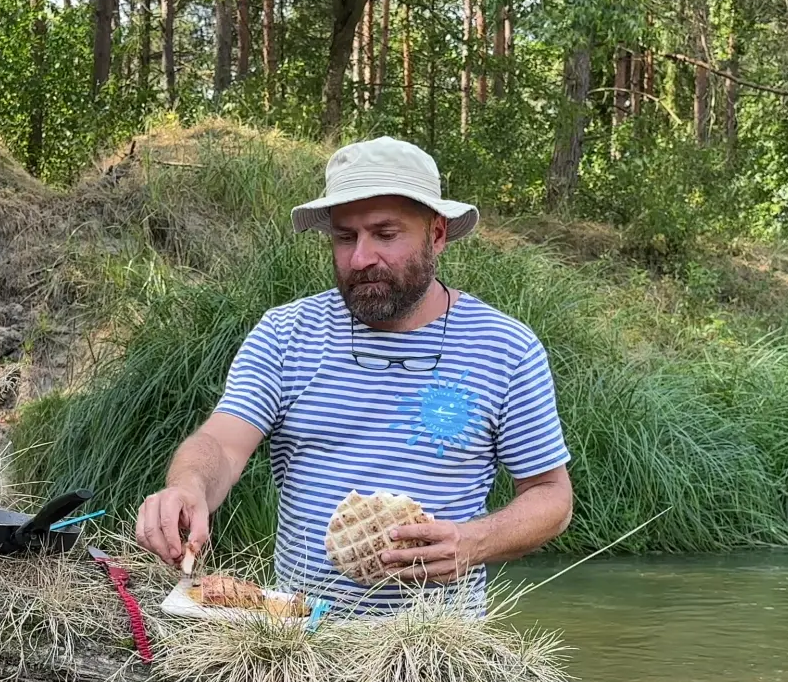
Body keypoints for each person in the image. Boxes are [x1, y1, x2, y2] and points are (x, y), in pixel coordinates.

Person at [134, 136, 574, 611]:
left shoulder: (504, 346)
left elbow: (550, 495)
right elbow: (221, 444)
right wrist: (188, 487)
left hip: (438, 651)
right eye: (346, 237)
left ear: (438, 234)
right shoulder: (287, 333)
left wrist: (474, 541)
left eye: (385, 234)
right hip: (298, 639)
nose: (361, 258)